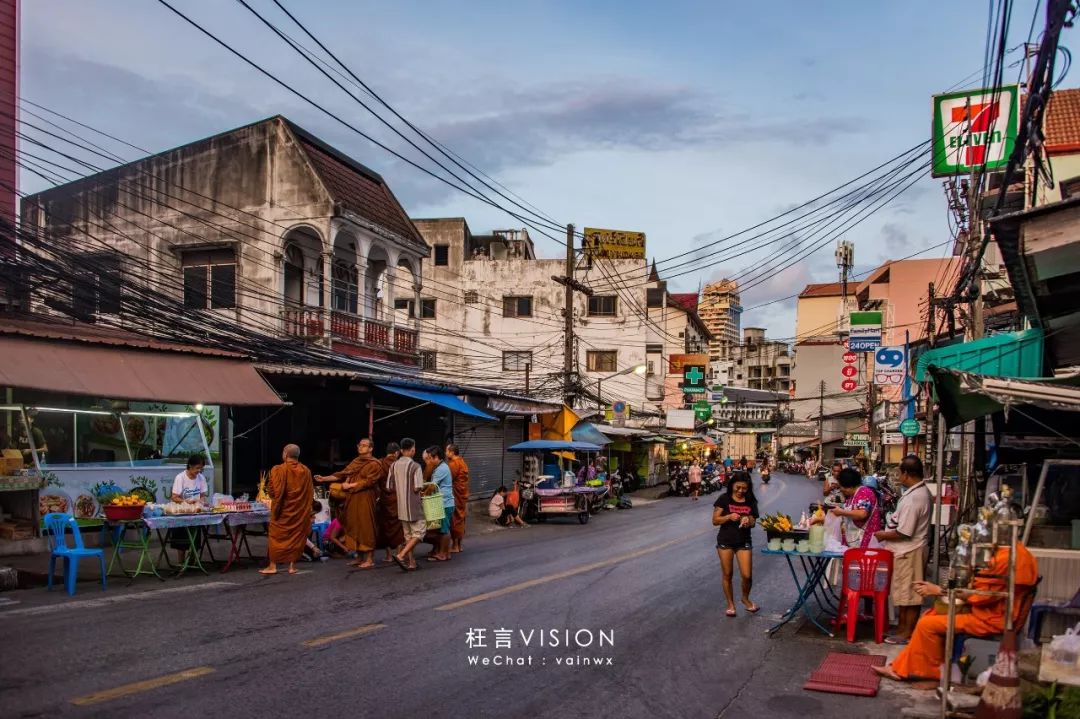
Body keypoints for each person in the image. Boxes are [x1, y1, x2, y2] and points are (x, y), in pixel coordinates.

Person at [874, 542, 1038, 682]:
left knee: (926, 624)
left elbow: (980, 596)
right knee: (932, 615)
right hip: (994, 612)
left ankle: (930, 674)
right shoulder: (1017, 551)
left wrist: (938, 590)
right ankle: (902, 666)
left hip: (992, 619)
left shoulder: (1004, 558)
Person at [873, 455, 933, 644]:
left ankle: (906, 633)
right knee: (904, 593)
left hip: (910, 550)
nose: (898, 476)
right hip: (907, 550)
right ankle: (901, 629)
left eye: (900, 472)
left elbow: (904, 532)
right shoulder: (916, 493)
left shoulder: (916, 497)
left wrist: (882, 535)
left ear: (907, 473)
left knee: (911, 595)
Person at [317, 439, 384, 569]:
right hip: (352, 499)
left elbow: (369, 482)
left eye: (364, 446)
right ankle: (359, 557)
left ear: (371, 449)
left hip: (365, 498)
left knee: (366, 527)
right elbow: (341, 474)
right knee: (354, 526)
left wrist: (349, 485)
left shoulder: (375, 464)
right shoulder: (356, 462)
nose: (361, 448)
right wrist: (324, 478)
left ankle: (369, 559)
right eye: (359, 445)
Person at [261, 444, 315, 575]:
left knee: (276, 537)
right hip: (298, 512)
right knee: (296, 536)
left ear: (285, 454)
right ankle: (292, 566)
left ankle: (273, 566)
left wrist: (275, 499)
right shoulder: (306, 471)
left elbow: (272, 491)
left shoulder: (278, 469)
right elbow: (309, 492)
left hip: (282, 511)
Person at [713, 472, 760, 617]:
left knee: (747, 575)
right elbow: (715, 520)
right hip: (725, 541)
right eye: (738, 487)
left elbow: (753, 522)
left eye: (744, 488)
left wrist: (747, 520)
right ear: (732, 485)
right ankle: (731, 605)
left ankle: (745, 599)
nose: (740, 491)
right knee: (727, 574)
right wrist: (728, 516)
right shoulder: (724, 499)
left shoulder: (751, 500)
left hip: (743, 541)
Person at [812, 467, 882, 549]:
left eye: (841, 486)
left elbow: (862, 513)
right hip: (854, 540)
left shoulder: (864, 492)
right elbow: (845, 519)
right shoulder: (850, 497)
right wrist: (821, 520)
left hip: (866, 540)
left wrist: (841, 512)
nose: (840, 489)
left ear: (848, 485)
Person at [390, 438, 426, 572]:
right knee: (419, 533)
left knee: (408, 536)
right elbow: (418, 487)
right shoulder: (416, 466)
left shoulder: (393, 465)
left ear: (400, 450)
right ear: (412, 449)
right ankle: (401, 555)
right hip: (414, 506)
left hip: (401, 507)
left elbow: (389, 486)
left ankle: (412, 563)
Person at [168, 454, 209, 564]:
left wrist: (201, 502)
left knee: (195, 539)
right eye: (197, 468)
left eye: (201, 468)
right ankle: (181, 564)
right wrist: (186, 502)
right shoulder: (180, 477)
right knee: (181, 541)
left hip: (195, 512)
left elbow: (203, 495)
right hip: (182, 512)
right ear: (190, 466)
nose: (199, 471)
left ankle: (192, 562)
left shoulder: (201, 478)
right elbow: (174, 497)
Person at [424, 445, 454, 562]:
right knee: (441, 529)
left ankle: (443, 554)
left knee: (444, 530)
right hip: (443, 502)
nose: (429, 461)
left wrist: (423, 494)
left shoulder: (442, 469)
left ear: (437, 457)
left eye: (431, 458)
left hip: (446, 503)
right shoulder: (439, 467)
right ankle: (443, 552)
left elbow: (431, 486)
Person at [377, 442, 404, 564]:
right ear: (397, 453)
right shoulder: (399, 464)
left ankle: (388, 556)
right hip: (397, 498)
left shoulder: (379, 463)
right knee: (398, 527)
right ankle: (399, 553)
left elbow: (375, 480)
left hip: (384, 499)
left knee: (385, 527)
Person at [447, 443, 470, 553]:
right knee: (461, 518)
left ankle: (455, 545)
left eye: (447, 451)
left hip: (456, 494)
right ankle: (459, 545)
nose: (446, 453)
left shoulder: (454, 464)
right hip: (462, 494)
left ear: (451, 452)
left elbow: (449, 479)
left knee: (455, 519)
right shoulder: (462, 462)